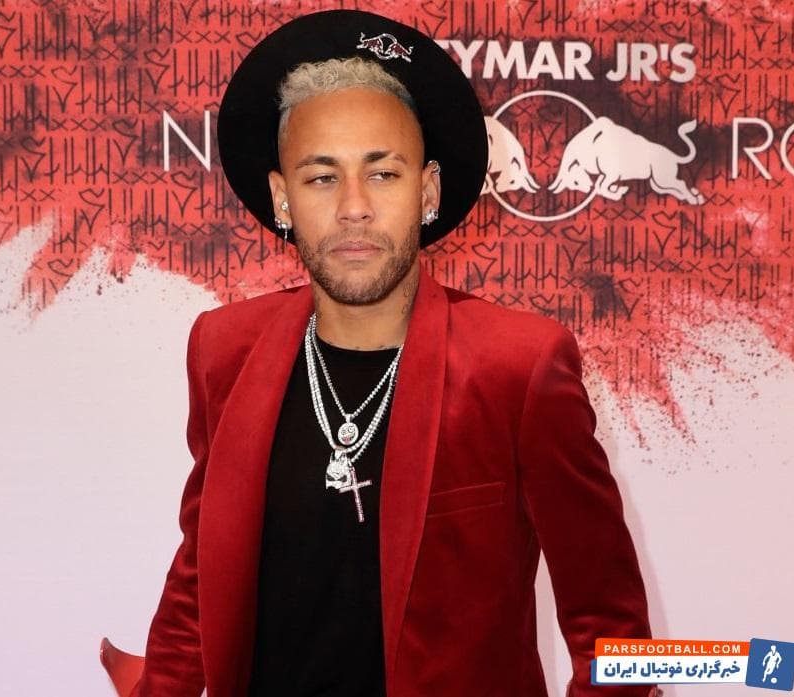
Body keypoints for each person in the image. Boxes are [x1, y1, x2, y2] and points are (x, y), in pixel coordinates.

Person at [134, 9, 654, 697]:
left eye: (382, 173)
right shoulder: (223, 349)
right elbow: (200, 573)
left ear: (427, 190)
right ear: (281, 198)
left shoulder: (518, 366)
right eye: (321, 178)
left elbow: (615, 635)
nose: (354, 207)